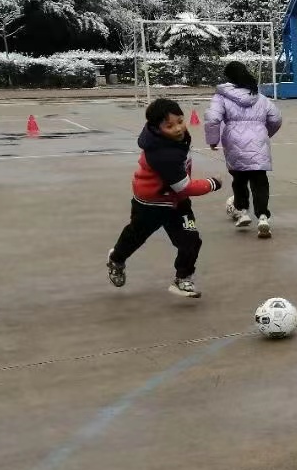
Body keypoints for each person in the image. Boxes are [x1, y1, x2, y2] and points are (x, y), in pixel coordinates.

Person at [106, 98, 223, 299]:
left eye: (180, 121)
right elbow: (184, 186)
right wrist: (212, 183)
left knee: (191, 240)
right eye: (169, 126)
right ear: (157, 128)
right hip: (152, 204)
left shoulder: (176, 139)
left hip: (177, 202)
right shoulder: (162, 154)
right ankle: (116, 259)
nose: (178, 128)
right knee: (135, 236)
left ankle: (183, 278)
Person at [204, 60, 283, 238]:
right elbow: (276, 118)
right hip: (259, 142)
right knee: (260, 181)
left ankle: (243, 212)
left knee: (239, 179)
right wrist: (264, 134)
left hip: (234, 141)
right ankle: (263, 217)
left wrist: (213, 139)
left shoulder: (221, 96)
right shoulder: (260, 97)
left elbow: (213, 119)